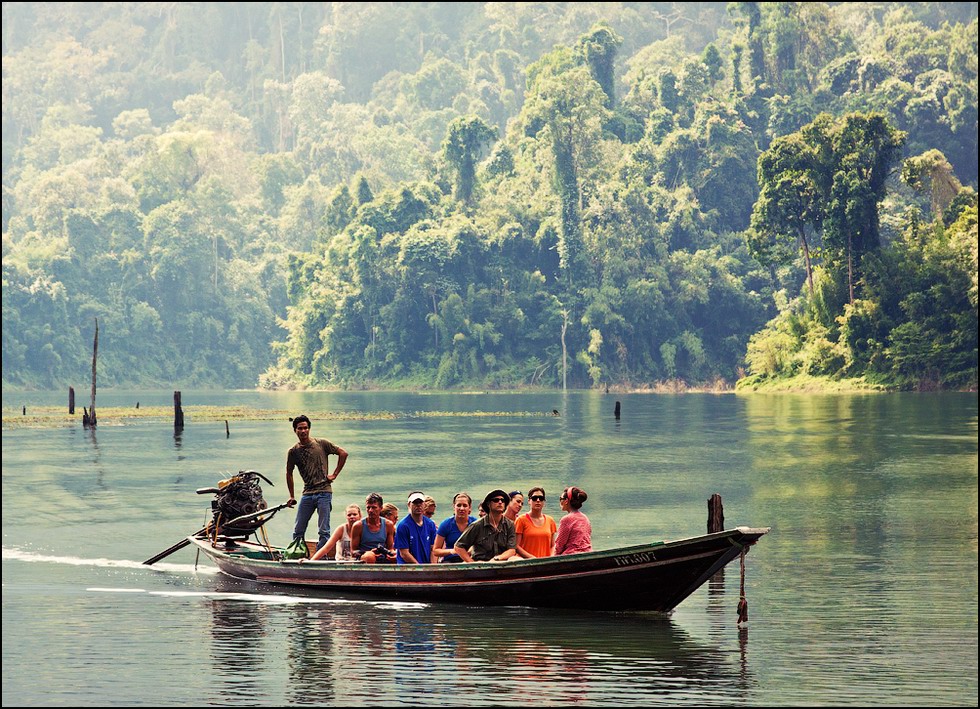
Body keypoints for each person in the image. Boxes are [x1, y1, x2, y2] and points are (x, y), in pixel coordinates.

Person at [285, 414, 348, 551]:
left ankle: (322, 557)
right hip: (307, 493)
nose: (303, 431)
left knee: (324, 530)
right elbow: (289, 473)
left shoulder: (321, 444)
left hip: (324, 492)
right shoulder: (293, 451)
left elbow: (343, 453)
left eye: (305, 428)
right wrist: (291, 496)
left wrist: (335, 474)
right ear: (295, 430)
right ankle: (297, 553)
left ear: (309, 429)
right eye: (300, 428)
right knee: (298, 529)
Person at [453, 489, 517, 562]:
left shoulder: (510, 525)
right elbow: (458, 547)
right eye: (496, 500)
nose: (500, 502)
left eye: (503, 500)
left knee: (515, 559)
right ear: (488, 504)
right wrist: (472, 563)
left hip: (502, 563)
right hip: (481, 565)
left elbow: (511, 550)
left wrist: (497, 558)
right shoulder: (477, 525)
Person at [394, 491, 438, 564]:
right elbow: (404, 553)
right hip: (408, 568)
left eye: (420, 503)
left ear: (424, 505)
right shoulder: (403, 525)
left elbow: (433, 548)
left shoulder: (430, 524)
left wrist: (432, 566)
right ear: (409, 505)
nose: (418, 505)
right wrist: (419, 568)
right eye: (415, 503)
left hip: (426, 566)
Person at [351, 493, 396, 563]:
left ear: (381, 508)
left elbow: (390, 548)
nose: (370, 510)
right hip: (365, 557)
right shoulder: (358, 526)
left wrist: (392, 554)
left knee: (398, 556)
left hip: (382, 555)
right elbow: (353, 551)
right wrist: (368, 552)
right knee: (370, 556)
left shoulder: (388, 525)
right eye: (368, 507)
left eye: (374, 507)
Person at [432, 492, 476, 563]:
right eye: (458, 505)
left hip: (471, 559)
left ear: (469, 507)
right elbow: (436, 551)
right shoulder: (446, 524)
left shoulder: (475, 524)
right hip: (451, 560)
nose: (461, 508)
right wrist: (453, 551)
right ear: (454, 507)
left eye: (465, 505)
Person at [515, 486, 557, 558]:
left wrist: (551, 557)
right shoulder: (521, 520)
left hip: (545, 563)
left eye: (541, 498)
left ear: (544, 502)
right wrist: (531, 558)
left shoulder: (550, 521)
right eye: (534, 498)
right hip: (526, 563)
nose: (538, 500)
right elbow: (516, 546)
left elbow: (553, 545)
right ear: (529, 501)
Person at [555, 486, 591, 555]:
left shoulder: (566, 519)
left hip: (571, 555)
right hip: (588, 553)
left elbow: (559, 545)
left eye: (560, 499)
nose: (560, 501)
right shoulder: (585, 518)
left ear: (566, 501)